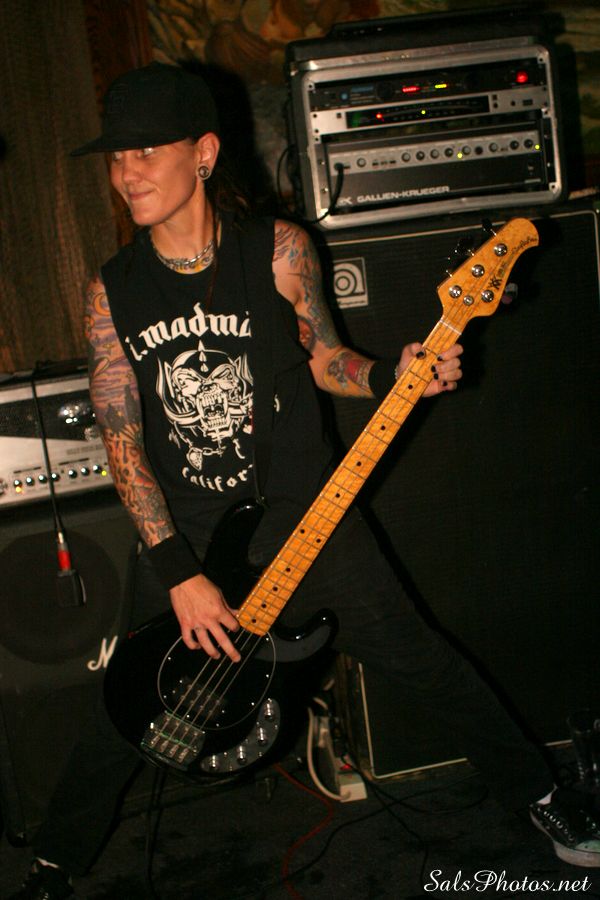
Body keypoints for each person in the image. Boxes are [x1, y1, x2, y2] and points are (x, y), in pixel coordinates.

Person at [10, 62, 600, 899]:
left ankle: (543, 797)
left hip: (309, 518)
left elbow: (326, 357)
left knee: (426, 664)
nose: (126, 172)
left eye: (146, 151)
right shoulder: (112, 291)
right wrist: (178, 570)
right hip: (187, 538)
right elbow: (121, 433)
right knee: (128, 700)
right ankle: (54, 863)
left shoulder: (280, 250)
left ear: (203, 152)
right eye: (116, 157)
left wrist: (391, 377)